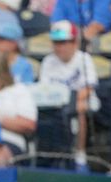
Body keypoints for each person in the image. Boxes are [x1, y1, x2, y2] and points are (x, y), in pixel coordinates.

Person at [39, 21, 99, 172]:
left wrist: (69, 102)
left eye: (63, 42)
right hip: (54, 103)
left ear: (74, 42)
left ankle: (80, 153)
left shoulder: (84, 58)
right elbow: (44, 89)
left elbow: (88, 88)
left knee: (79, 109)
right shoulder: (48, 61)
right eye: (56, 42)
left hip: (82, 101)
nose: (59, 47)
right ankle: (49, 155)